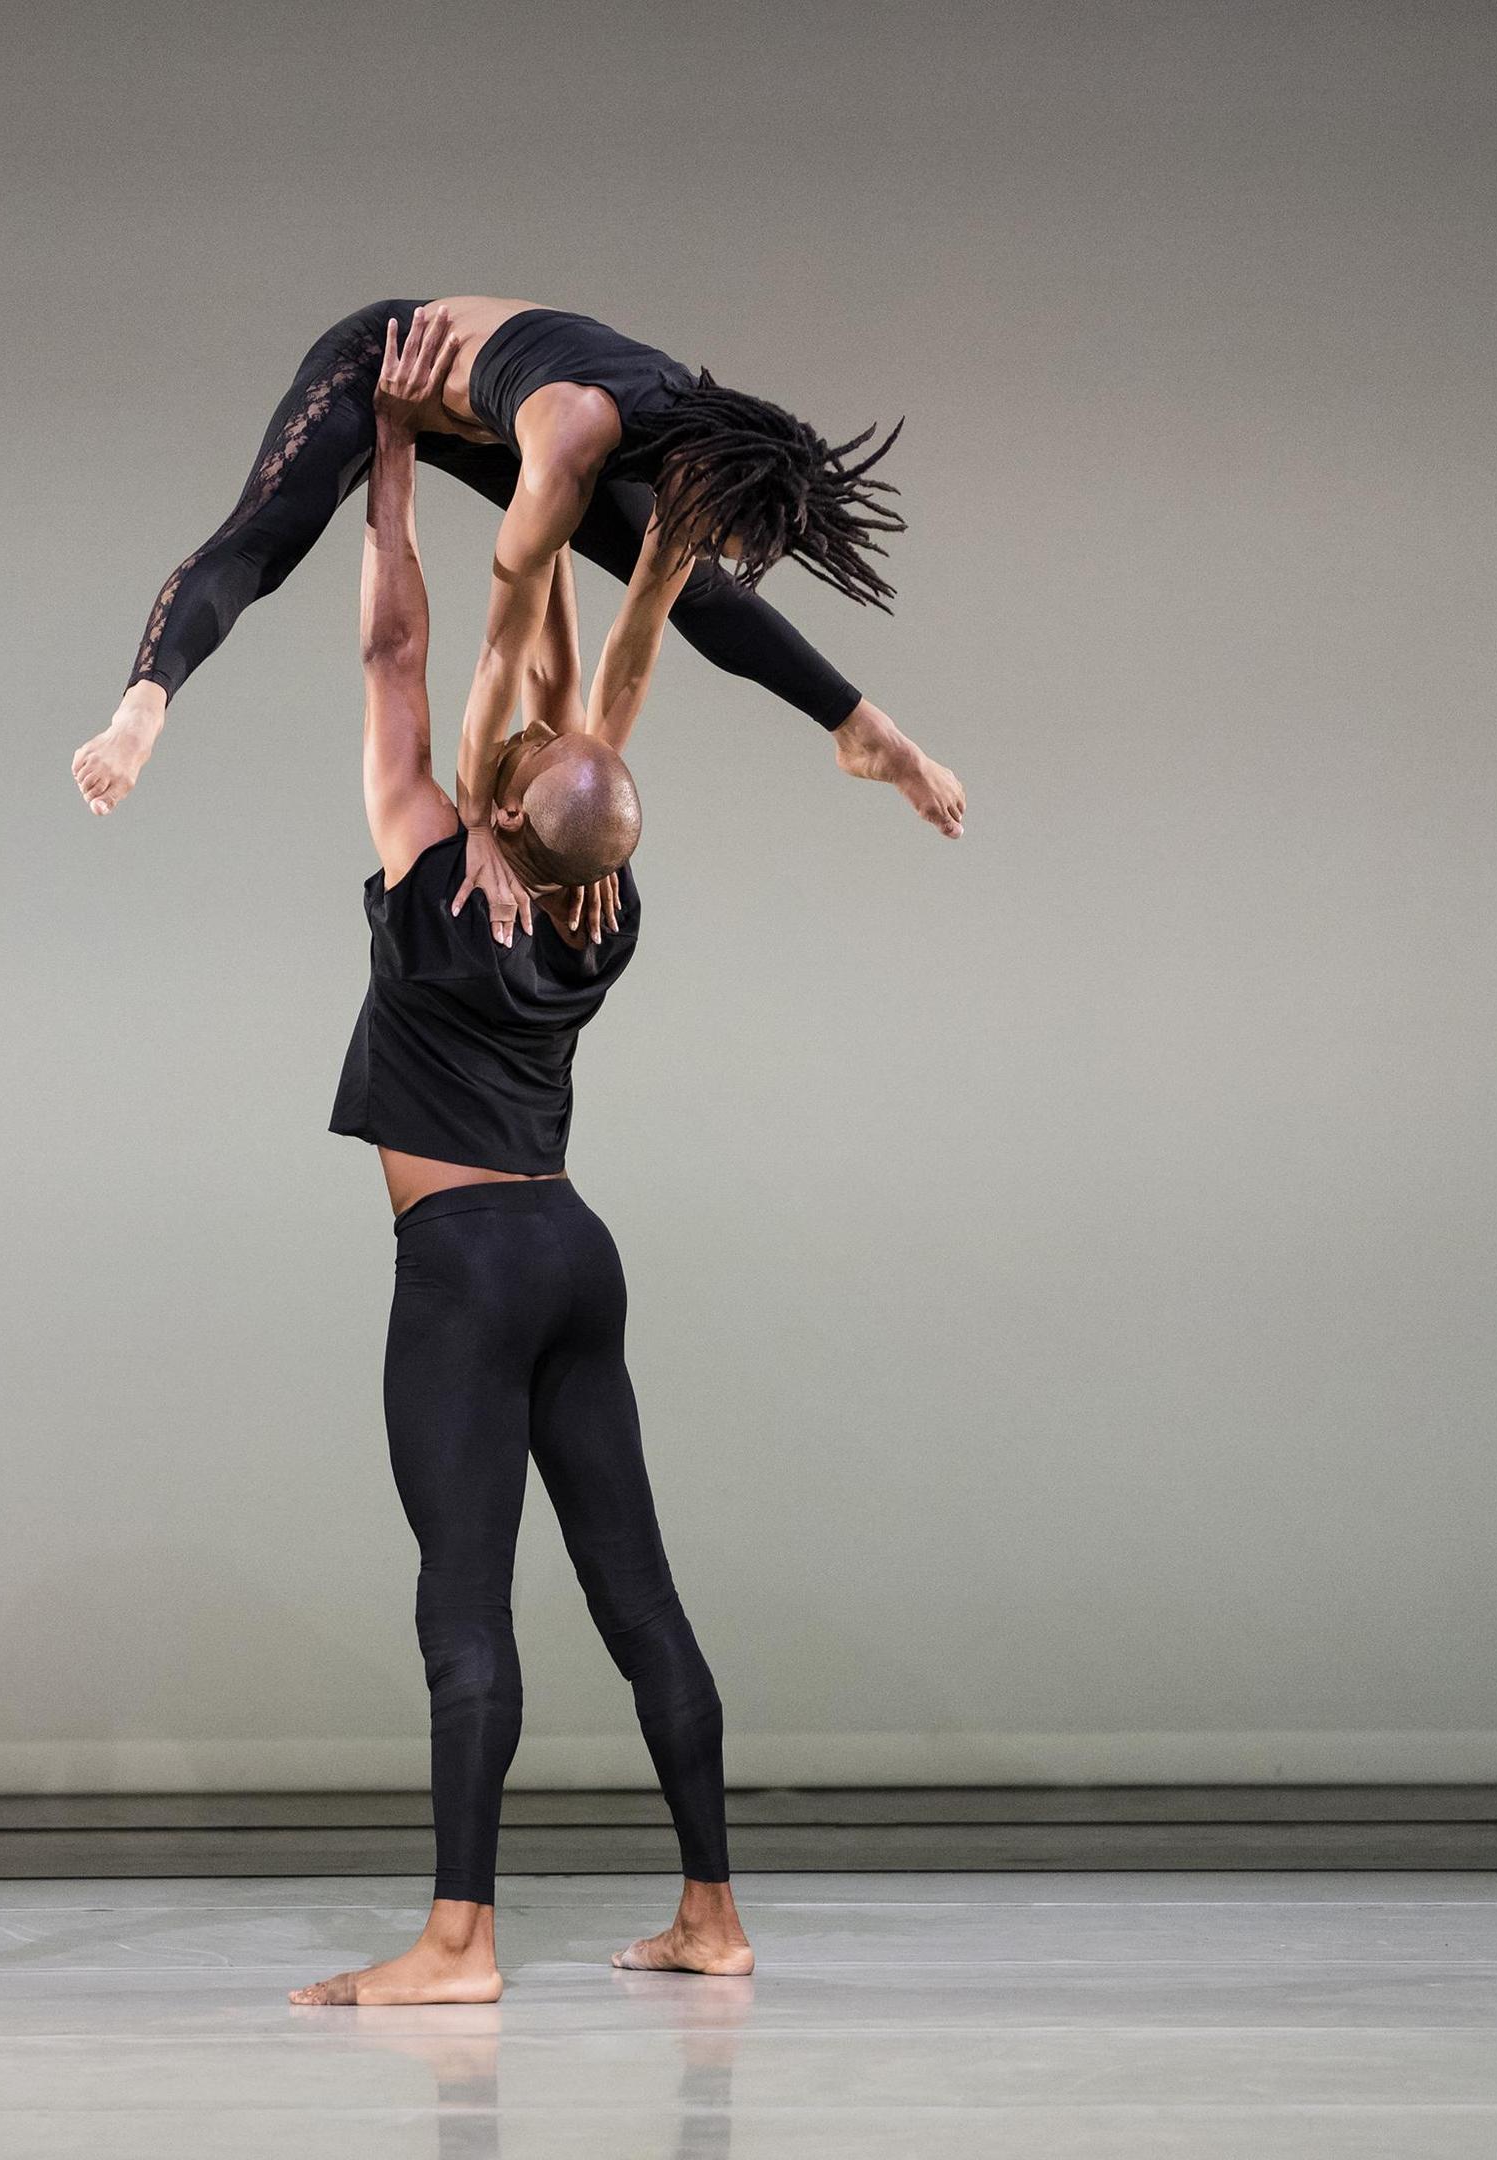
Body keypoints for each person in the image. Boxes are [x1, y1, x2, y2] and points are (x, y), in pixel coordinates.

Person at [289, 321, 751, 2008]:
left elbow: (401, 653)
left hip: (469, 1270)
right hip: (577, 1255)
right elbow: (599, 713)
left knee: (462, 1605)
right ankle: (713, 1912)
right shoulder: (605, 907)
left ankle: (458, 1946)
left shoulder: (432, 868)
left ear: (498, 795)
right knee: (638, 1594)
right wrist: (675, 539)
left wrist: (394, 456)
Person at [73, 297, 965, 862]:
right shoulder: (579, 436)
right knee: (269, 535)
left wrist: (585, 809)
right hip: (388, 363)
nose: (698, 535)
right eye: (708, 522)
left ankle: (866, 730)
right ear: (703, 469)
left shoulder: (699, 453)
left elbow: (637, 642)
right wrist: (478, 835)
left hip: (504, 423)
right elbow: (506, 647)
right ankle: (143, 706)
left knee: (694, 592)